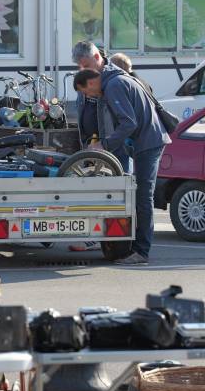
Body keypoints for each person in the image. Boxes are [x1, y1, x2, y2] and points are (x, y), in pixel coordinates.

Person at [73, 68, 171, 265]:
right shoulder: (117, 80)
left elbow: (129, 124)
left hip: (148, 143)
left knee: (143, 197)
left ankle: (141, 252)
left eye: (85, 92)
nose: (87, 96)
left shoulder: (113, 86)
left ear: (91, 83)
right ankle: (136, 247)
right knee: (138, 196)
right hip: (147, 141)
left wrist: (104, 145)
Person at [69, 41, 130, 252]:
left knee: (115, 195)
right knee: (92, 193)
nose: (82, 69)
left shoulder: (112, 80)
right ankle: (92, 236)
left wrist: (106, 143)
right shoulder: (87, 77)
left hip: (111, 147)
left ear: (97, 57)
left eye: (85, 64)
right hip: (92, 145)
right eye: (79, 66)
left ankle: (117, 242)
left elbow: (125, 120)